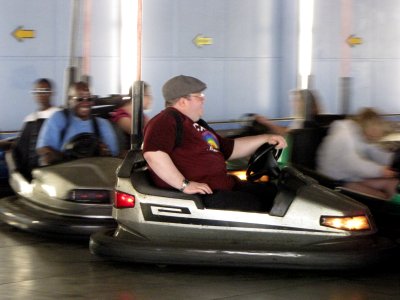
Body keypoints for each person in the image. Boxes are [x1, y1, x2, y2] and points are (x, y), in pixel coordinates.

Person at [143, 75, 287, 212]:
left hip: (224, 185)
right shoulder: (166, 120)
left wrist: (265, 138)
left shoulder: (198, 124)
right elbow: (154, 154)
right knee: (260, 206)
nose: (203, 100)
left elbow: (230, 149)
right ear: (182, 101)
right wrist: (184, 184)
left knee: (276, 194)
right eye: (199, 96)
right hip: (202, 195)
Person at [316, 107, 398, 200]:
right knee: (381, 197)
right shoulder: (343, 136)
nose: (375, 137)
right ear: (370, 127)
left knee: (393, 184)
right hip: (336, 181)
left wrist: (393, 160)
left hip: (351, 176)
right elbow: (353, 164)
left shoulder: (360, 133)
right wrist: (380, 171)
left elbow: (375, 152)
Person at [36, 81, 119, 166]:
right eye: (80, 99)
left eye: (89, 99)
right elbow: (44, 149)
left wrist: (104, 153)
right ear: (70, 100)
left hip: (94, 172)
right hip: (62, 170)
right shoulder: (59, 118)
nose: (85, 103)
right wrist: (68, 157)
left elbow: (113, 157)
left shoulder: (102, 124)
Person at [12, 78, 61, 179]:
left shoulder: (60, 116)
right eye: (37, 91)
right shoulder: (30, 119)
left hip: (53, 172)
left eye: (45, 91)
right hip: (30, 174)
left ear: (51, 93)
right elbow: (20, 146)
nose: (41, 94)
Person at [252, 89, 322, 136]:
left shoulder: (306, 122)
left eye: (296, 100)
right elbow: (289, 129)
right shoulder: (313, 118)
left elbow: (287, 134)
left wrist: (267, 123)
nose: (293, 103)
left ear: (305, 102)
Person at [110, 82, 153, 151]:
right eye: (148, 95)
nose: (151, 99)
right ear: (138, 96)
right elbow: (140, 134)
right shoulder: (121, 116)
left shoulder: (141, 115)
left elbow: (153, 128)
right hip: (126, 158)